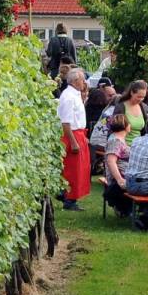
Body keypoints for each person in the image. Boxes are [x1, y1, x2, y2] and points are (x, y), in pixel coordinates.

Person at [58, 67, 91, 210]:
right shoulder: (68, 96)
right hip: (72, 134)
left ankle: (67, 195)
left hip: (79, 133)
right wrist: (73, 142)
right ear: (76, 81)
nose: (84, 82)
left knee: (80, 168)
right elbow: (66, 121)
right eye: (83, 80)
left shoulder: (75, 94)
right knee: (73, 169)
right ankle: (69, 199)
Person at [100, 110, 133, 217]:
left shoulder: (118, 139)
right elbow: (111, 161)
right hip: (120, 178)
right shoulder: (116, 141)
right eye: (129, 123)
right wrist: (119, 180)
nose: (130, 126)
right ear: (125, 126)